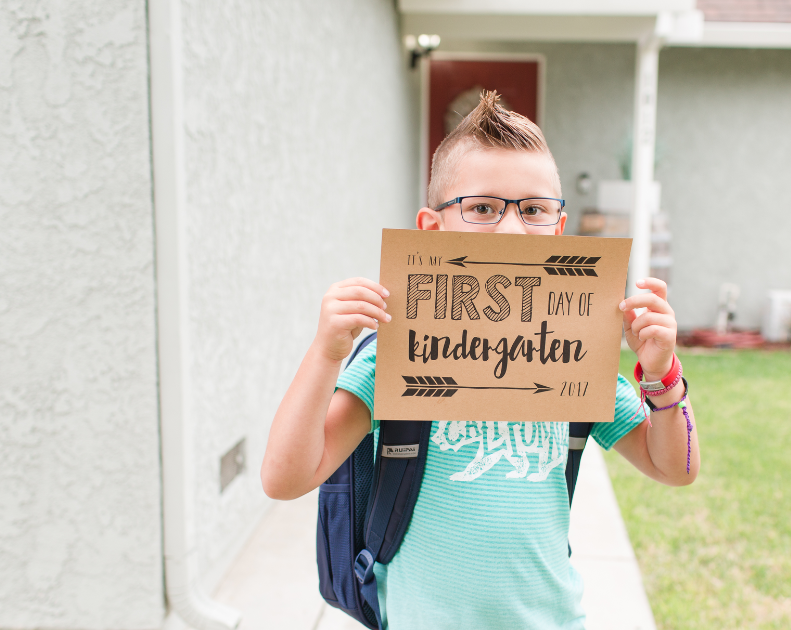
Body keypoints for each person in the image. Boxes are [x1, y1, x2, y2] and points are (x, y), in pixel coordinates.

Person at [260, 91, 700, 630]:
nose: (513, 230)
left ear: (557, 229)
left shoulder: (577, 356)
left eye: (535, 210)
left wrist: (662, 376)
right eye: (483, 208)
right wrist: (326, 353)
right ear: (432, 228)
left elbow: (674, 468)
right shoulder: (393, 358)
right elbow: (285, 478)